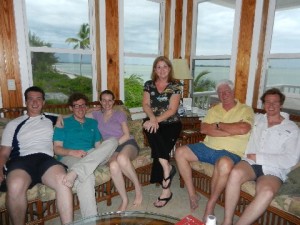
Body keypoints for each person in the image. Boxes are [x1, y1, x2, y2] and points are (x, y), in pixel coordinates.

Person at [175, 79, 254, 221]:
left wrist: (217, 125)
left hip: (230, 152)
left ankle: (210, 205)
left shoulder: (245, 109)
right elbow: (204, 129)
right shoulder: (214, 109)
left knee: (224, 163)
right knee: (180, 152)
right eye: (220, 93)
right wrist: (230, 130)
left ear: (233, 91)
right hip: (207, 147)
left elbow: (243, 128)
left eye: (227, 91)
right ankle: (192, 194)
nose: (224, 95)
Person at [221, 88, 300, 225]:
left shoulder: (292, 128)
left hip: (274, 170)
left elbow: (290, 159)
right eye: (267, 102)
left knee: (267, 192)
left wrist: (259, 157)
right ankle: (227, 221)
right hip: (250, 164)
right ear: (263, 104)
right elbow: (236, 117)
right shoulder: (256, 119)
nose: (271, 105)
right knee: (235, 173)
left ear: (281, 104)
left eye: (275, 102)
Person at [0, 86, 73, 224]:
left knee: (64, 181)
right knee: (15, 185)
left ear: (43, 102)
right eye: (31, 99)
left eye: (38, 99)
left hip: (46, 160)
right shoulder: (13, 124)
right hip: (21, 161)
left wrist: (94, 109)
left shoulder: (53, 118)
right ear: (26, 102)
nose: (35, 102)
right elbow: (4, 152)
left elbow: (76, 114)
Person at [53, 93, 118, 218]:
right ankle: (91, 220)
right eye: (76, 106)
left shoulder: (92, 122)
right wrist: (72, 152)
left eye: (83, 105)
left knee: (113, 141)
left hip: (91, 154)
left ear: (86, 107)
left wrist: (104, 155)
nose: (80, 108)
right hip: (70, 156)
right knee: (86, 177)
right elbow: (56, 149)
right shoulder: (63, 123)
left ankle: (76, 172)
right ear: (71, 108)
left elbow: (99, 146)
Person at [86, 90, 142, 211]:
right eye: (104, 100)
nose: (107, 103)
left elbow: (127, 135)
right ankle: (125, 199)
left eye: (110, 100)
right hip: (109, 148)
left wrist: (113, 146)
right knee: (113, 166)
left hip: (126, 143)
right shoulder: (96, 114)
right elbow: (79, 113)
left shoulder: (119, 114)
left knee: (122, 158)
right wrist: (92, 109)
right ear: (100, 101)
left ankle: (138, 189)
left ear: (113, 101)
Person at [142, 56, 182, 208]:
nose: (162, 69)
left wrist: (155, 121)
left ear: (169, 69)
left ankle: (166, 189)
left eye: (165, 66)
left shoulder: (176, 85)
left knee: (158, 144)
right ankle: (167, 169)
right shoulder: (148, 85)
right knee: (149, 128)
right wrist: (152, 118)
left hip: (171, 124)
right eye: (158, 67)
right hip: (153, 122)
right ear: (154, 70)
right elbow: (145, 104)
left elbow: (172, 110)